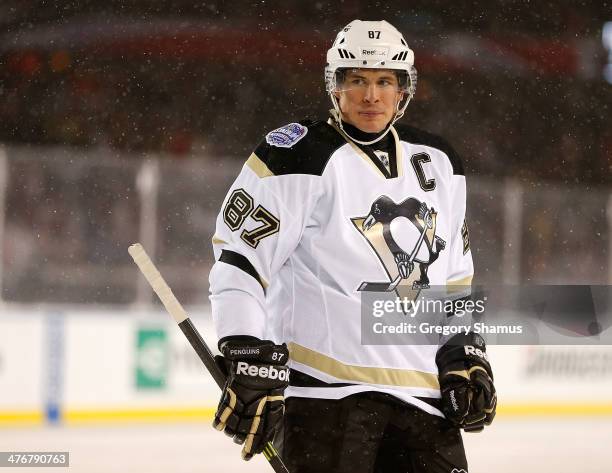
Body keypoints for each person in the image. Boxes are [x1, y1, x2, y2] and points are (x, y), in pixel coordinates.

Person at [209, 19, 496, 472]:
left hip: (424, 403)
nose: (370, 95)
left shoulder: (440, 162)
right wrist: (245, 348)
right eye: (357, 80)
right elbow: (240, 262)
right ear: (335, 86)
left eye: (385, 81)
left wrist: (463, 348)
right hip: (324, 397)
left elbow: (456, 277)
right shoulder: (295, 153)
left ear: (404, 89)